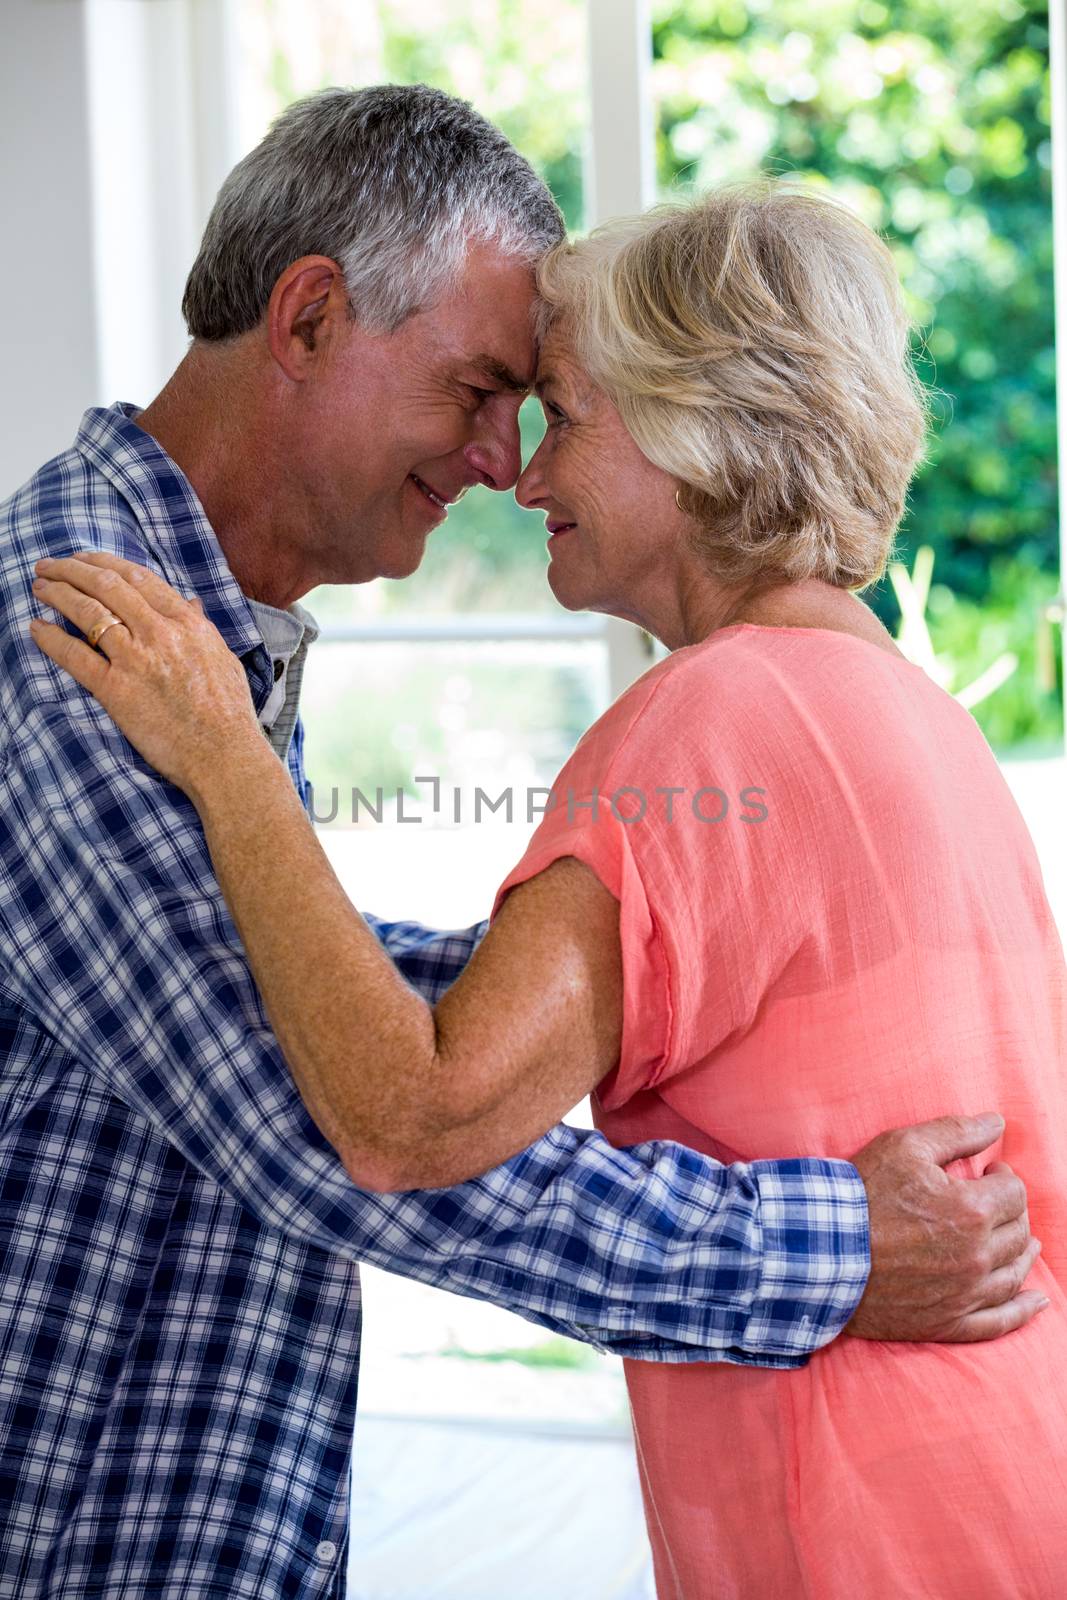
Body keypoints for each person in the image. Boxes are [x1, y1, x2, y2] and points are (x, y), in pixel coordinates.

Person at [3, 89, 1044, 1600]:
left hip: (865, 1516)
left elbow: (384, 1091)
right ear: (307, 319)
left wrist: (239, 774)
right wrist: (839, 1250)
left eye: (552, 412)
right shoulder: (90, 631)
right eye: (487, 392)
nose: (512, 466)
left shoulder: (713, 714)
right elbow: (341, 1119)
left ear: (698, 436)